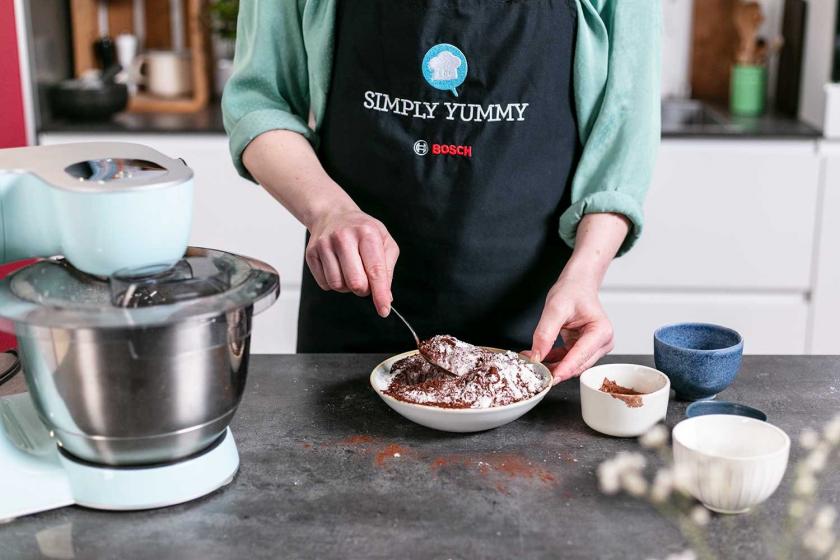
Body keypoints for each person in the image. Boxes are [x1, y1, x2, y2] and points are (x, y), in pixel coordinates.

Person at [222, 1, 660, 383]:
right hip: (352, 306)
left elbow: (622, 140)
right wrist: (327, 211)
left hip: (536, 329)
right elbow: (260, 103)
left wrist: (585, 274)